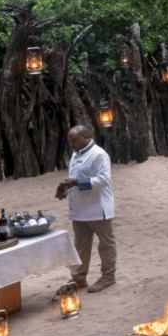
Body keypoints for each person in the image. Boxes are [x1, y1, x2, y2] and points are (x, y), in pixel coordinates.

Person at [55, 124, 116, 293]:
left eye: (74, 140)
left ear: (85, 136)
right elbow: (75, 177)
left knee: (105, 243)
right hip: (79, 209)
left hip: (98, 207)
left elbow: (103, 180)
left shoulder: (99, 155)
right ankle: (79, 278)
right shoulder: (75, 154)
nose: (71, 144)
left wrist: (76, 183)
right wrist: (65, 188)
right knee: (80, 245)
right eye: (69, 141)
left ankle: (108, 276)